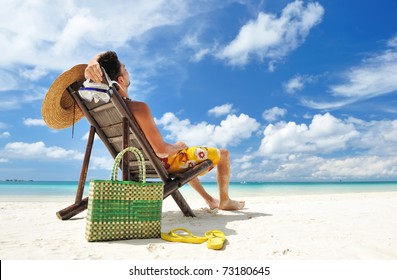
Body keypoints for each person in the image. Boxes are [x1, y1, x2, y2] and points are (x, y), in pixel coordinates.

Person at [85, 51, 244, 211]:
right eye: (125, 69)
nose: (127, 71)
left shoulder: (108, 110)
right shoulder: (139, 108)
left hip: (137, 163)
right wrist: (177, 147)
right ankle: (225, 200)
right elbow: (161, 150)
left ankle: (209, 200)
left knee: (181, 157)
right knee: (223, 154)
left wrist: (94, 61)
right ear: (120, 80)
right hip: (161, 162)